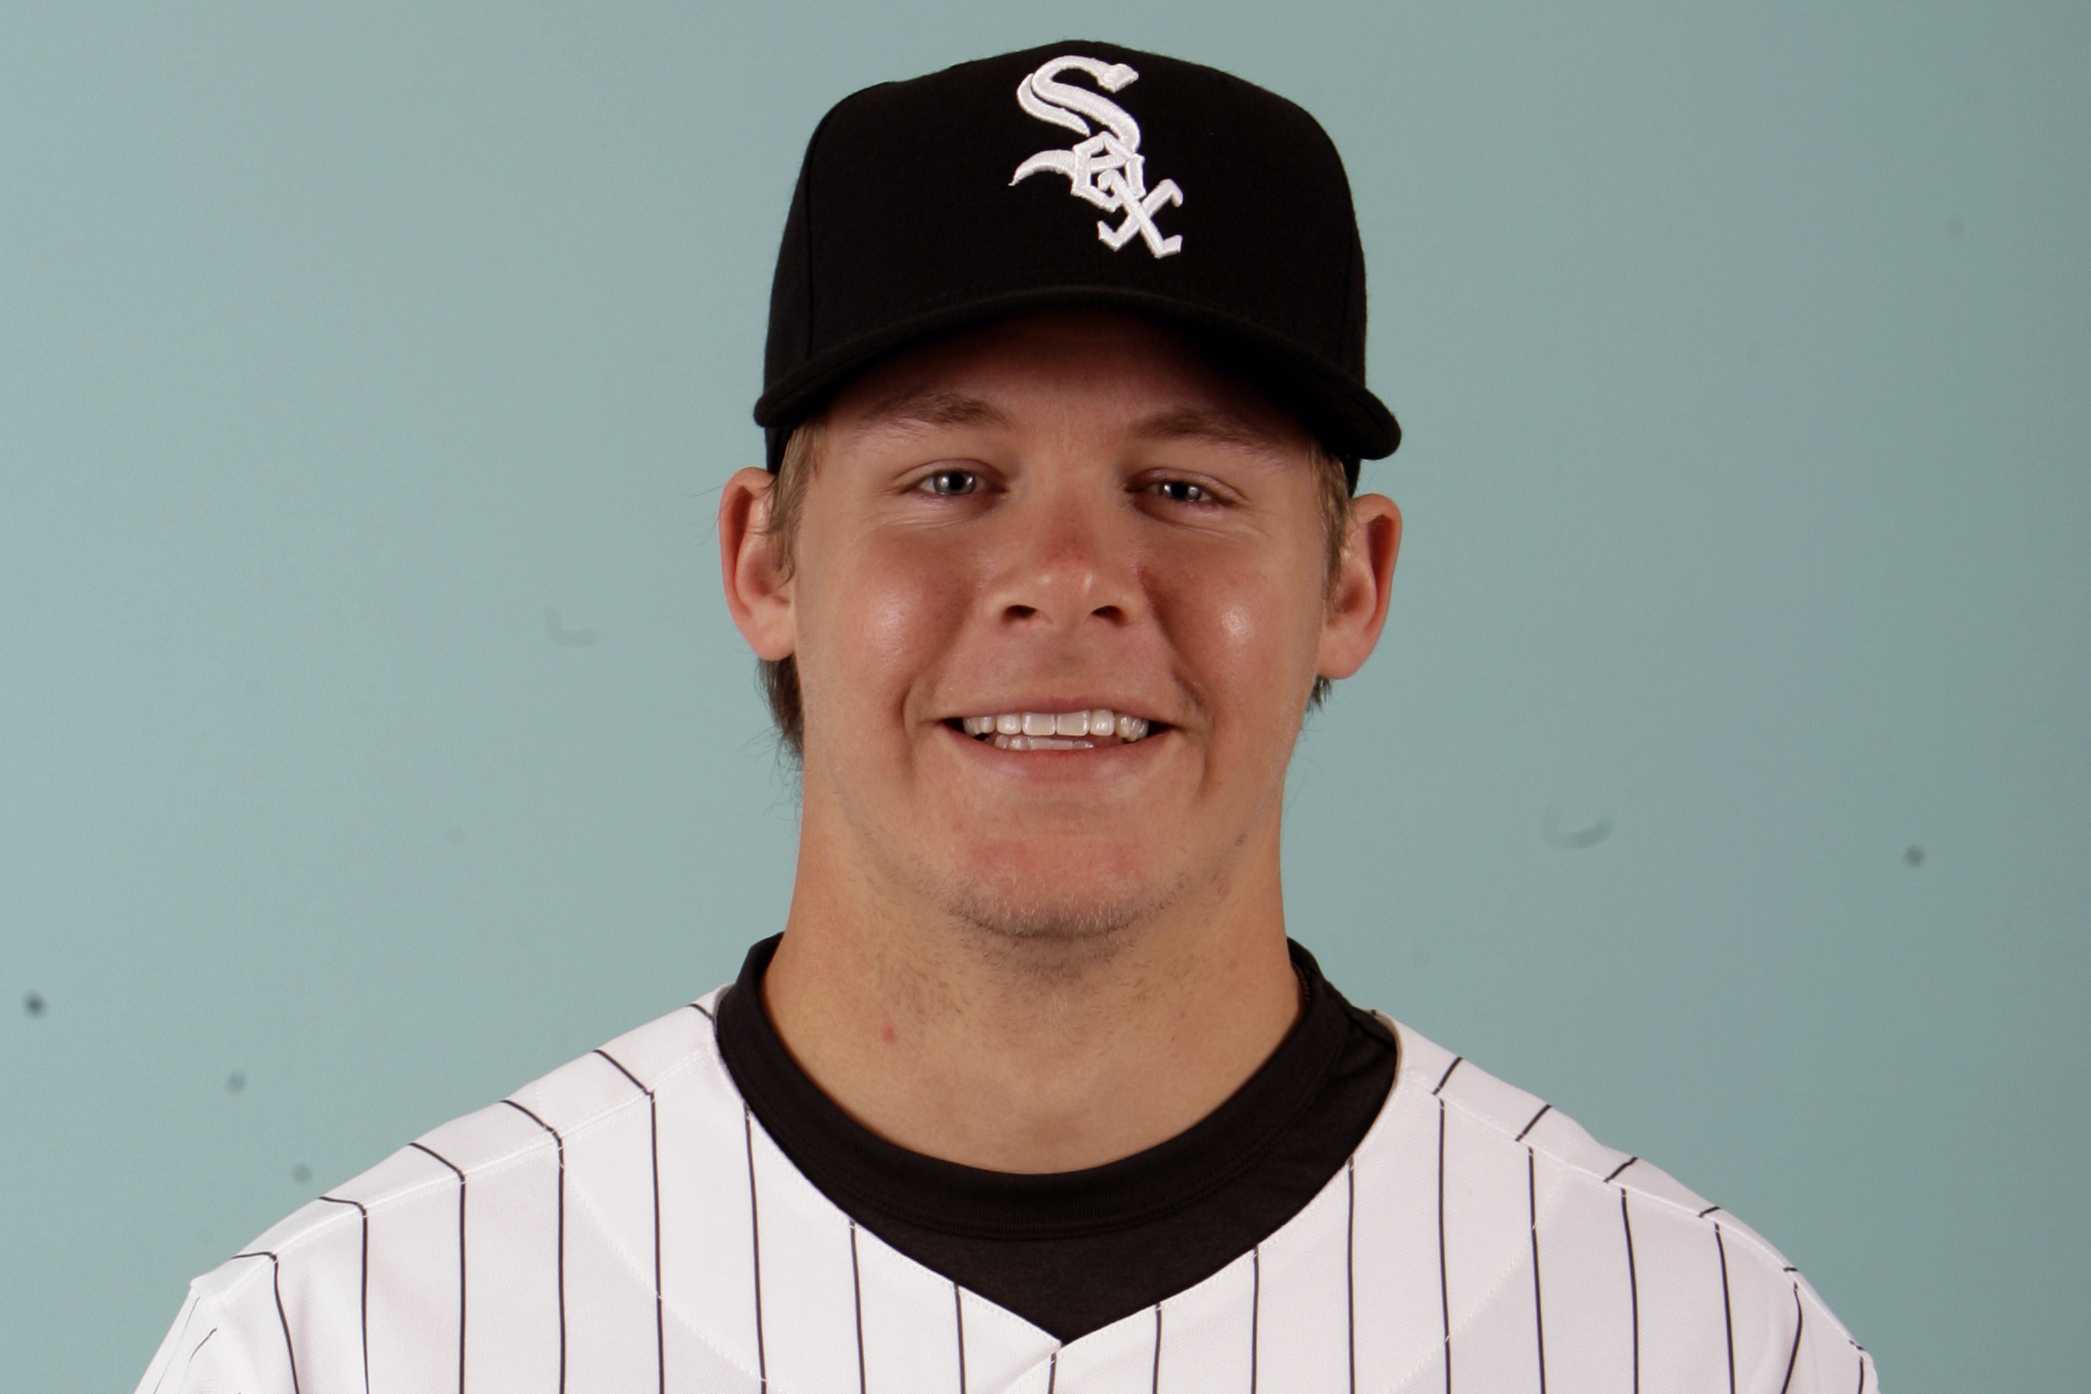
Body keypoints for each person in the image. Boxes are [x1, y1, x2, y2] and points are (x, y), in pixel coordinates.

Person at [137, 41, 1877, 1393]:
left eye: (1185, 485)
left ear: (1355, 579)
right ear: (766, 561)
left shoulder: (1698, 1338)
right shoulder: (345, 1340)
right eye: (952, 475)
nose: (1068, 578)